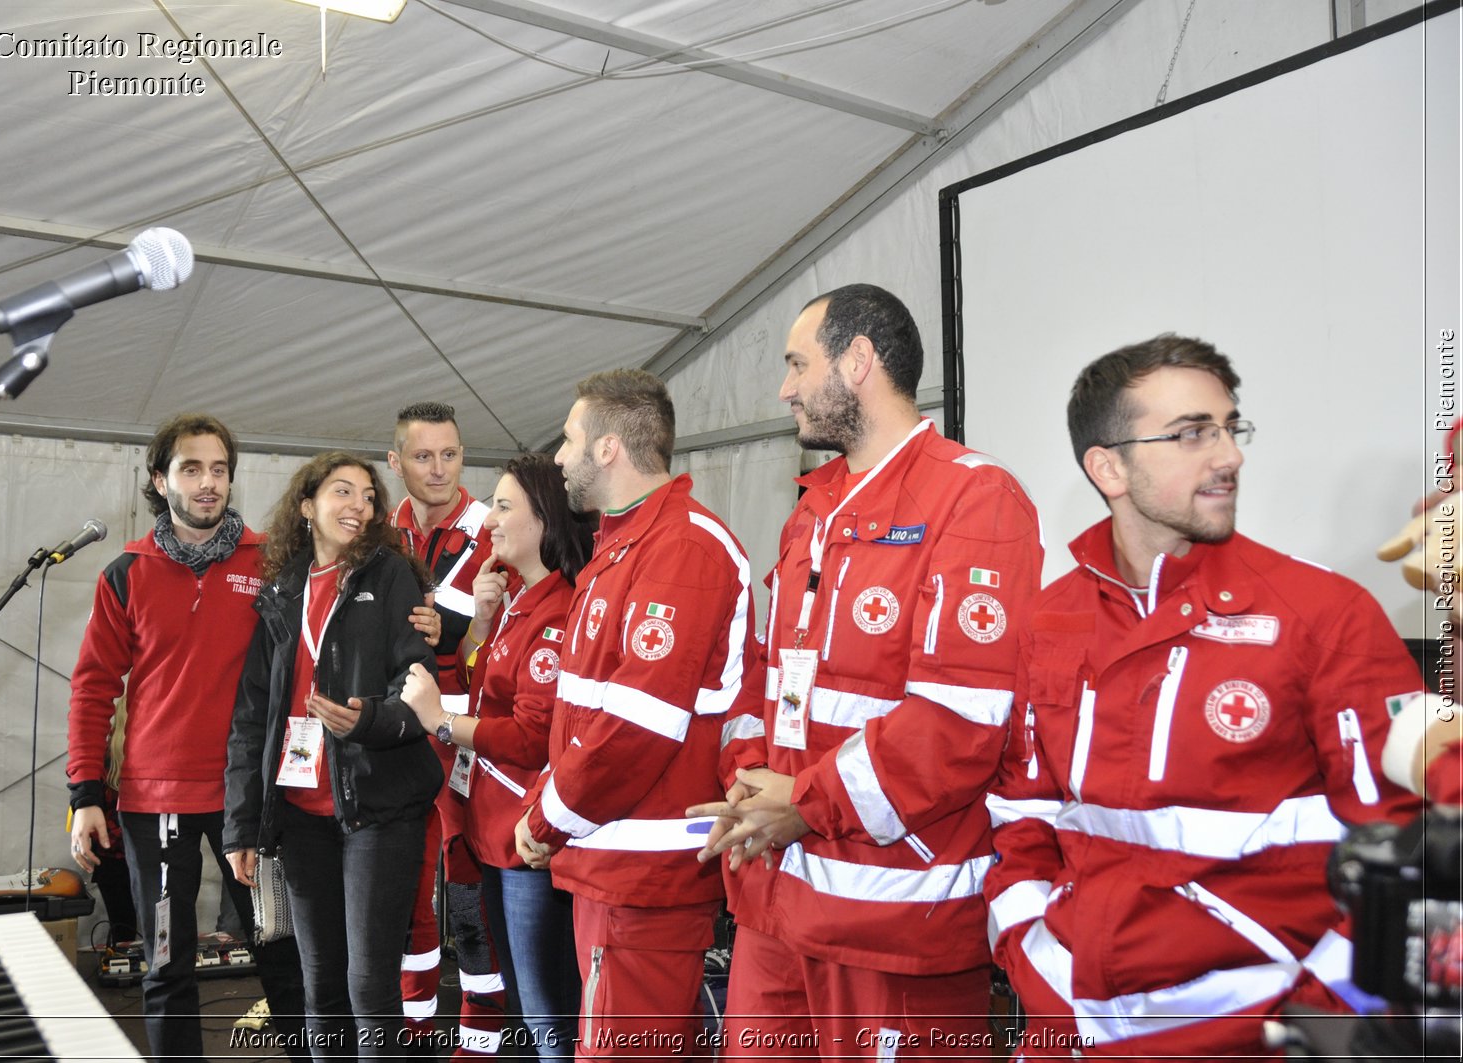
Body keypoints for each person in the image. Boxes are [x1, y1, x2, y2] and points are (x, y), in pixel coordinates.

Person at [982, 334, 1425, 1058]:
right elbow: (1021, 817)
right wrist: (1039, 963)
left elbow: (1409, 849)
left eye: (1229, 426)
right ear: (1108, 467)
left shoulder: (1323, 613)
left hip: (1257, 1035)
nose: (1230, 456)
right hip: (1074, 1024)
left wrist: (1311, 1020)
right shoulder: (1049, 618)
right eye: (1193, 433)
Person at [689, 284, 1044, 1057]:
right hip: (774, 899)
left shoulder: (974, 497)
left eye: (796, 363)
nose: (783, 388)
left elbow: (961, 720)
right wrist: (748, 777)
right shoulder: (812, 509)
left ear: (857, 361)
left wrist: (806, 803)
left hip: (890, 919)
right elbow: (765, 672)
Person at [514, 368, 759, 1058]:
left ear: (608, 448)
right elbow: (587, 715)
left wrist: (546, 815)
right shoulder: (625, 544)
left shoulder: (681, 548)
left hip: (643, 880)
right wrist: (550, 802)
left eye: (569, 439)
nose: (559, 457)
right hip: (612, 864)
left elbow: (635, 731)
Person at [66, 412, 307, 1063]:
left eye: (220, 469)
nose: (208, 483)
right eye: (192, 468)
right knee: (167, 967)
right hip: (155, 806)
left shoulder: (272, 563)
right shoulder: (126, 573)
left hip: (251, 804)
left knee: (283, 962)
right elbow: (93, 688)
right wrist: (85, 791)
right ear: (159, 478)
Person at [224, 451, 443, 1059]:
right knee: (319, 985)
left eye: (369, 496)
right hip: (299, 813)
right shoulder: (281, 591)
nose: (360, 506)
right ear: (306, 506)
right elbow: (251, 718)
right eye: (343, 492)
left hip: (379, 804)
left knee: (369, 985)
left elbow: (417, 681)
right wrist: (241, 824)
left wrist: (368, 720)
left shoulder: (393, 575)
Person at [402, 454, 594, 1061]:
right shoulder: (522, 602)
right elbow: (496, 695)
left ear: (544, 521)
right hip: (497, 833)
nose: (491, 522)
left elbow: (532, 737)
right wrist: (484, 624)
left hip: (527, 843)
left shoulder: (559, 610)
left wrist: (441, 721)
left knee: (548, 1017)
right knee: (530, 1008)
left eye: (505, 507)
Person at [387, 401, 506, 1056]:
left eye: (451, 454)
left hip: (467, 733)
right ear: (396, 460)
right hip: (394, 732)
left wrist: (464, 639)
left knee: (468, 883)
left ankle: (481, 1040)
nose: (438, 469)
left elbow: (511, 643)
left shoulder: (497, 527)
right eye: (424, 455)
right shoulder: (377, 533)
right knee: (406, 888)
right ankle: (414, 1029)